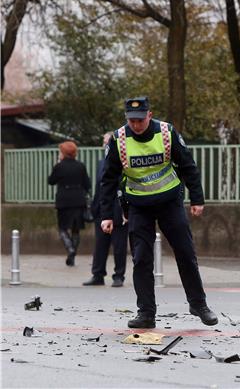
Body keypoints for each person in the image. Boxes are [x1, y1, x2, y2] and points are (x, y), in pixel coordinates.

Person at [100, 96, 217, 329]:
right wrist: (106, 215)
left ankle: (199, 304)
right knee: (142, 258)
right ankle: (146, 312)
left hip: (169, 202)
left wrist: (197, 198)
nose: (136, 125)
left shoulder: (166, 132)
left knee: (185, 252)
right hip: (138, 206)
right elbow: (109, 178)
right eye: (131, 120)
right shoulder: (119, 139)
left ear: (149, 115)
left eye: (140, 120)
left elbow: (188, 165)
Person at [83, 132, 128, 287]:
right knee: (100, 244)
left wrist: (125, 209)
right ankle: (98, 274)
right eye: (104, 141)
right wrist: (95, 207)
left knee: (119, 245)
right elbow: (100, 187)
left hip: (119, 209)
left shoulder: (124, 163)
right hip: (102, 209)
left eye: (107, 141)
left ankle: (119, 275)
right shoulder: (102, 162)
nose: (105, 144)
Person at [48, 141, 91, 267]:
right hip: (78, 200)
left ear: (63, 153)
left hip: (64, 200)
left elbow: (51, 181)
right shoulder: (81, 166)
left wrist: (56, 165)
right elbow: (87, 184)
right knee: (76, 229)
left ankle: (70, 249)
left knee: (62, 228)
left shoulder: (59, 166)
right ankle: (72, 255)